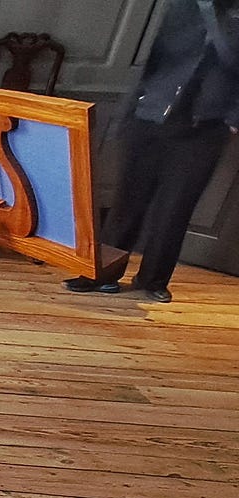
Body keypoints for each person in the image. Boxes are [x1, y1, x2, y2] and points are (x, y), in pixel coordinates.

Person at [63, 0, 239, 303]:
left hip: (205, 127)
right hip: (150, 115)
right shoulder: (182, 7)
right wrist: (130, 110)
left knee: (174, 210)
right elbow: (157, 58)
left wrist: (233, 120)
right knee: (127, 203)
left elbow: (231, 57)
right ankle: (102, 273)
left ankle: (153, 279)